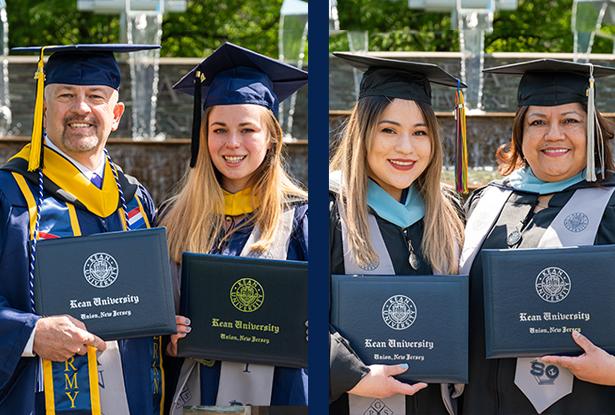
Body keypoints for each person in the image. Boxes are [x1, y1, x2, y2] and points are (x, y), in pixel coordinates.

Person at [0, 44, 166, 414]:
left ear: (116, 113)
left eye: (95, 96)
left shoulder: (135, 198)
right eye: (66, 96)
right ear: (44, 108)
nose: (81, 108)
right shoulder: (8, 195)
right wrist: (28, 334)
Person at [460, 59, 615, 414]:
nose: (554, 134)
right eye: (538, 122)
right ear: (520, 132)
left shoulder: (612, 205)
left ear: (592, 129)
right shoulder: (487, 204)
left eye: (570, 121)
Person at [160, 42, 308, 412]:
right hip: (195, 395)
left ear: (271, 136)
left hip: (279, 399)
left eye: (247, 129)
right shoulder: (174, 218)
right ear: (204, 134)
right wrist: (166, 335)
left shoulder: (303, 219)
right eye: (219, 129)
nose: (232, 143)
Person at [329, 53, 465, 415]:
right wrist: (349, 373)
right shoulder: (327, 212)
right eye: (388, 130)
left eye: (420, 132)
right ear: (363, 134)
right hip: (353, 401)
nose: (406, 147)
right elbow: (297, 314)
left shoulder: (449, 213)